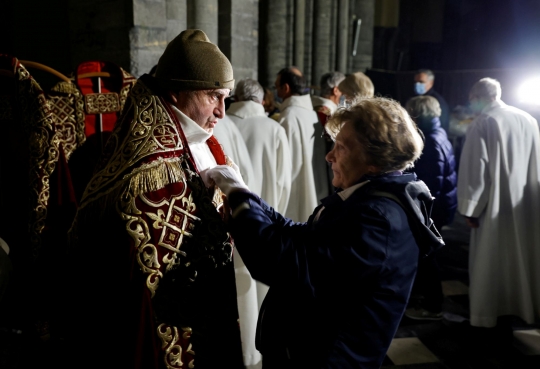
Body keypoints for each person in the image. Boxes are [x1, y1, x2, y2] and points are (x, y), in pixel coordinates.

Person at [205, 97, 444, 368]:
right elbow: (303, 237)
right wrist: (249, 197)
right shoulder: (371, 199)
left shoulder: (377, 218)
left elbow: (283, 263)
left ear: (374, 161)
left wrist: (239, 200)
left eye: (341, 148)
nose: (330, 156)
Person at [68, 29, 245, 369]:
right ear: (177, 92)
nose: (222, 112)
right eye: (213, 97)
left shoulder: (204, 140)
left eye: (226, 98)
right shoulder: (146, 168)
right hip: (158, 328)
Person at [457, 77, 540, 328]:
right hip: (526, 203)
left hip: (495, 206)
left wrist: (470, 208)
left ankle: (488, 314)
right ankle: (526, 307)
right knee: (525, 256)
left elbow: (476, 170)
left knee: (491, 259)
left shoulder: (484, 122)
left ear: (478, 97)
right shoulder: (528, 118)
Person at [226, 78, 293, 369]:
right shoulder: (274, 129)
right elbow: (283, 182)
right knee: (257, 291)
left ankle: (236, 346)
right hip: (264, 219)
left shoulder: (223, 125)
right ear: (262, 100)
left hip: (229, 221)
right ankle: (255, 351)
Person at [404, 95, 458, 320]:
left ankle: (433, 305)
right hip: (441, 205)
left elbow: (430, 182)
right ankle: (424, 298)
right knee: (425, 255)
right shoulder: (439, 134)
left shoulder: (432, 141)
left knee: (427, 257)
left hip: (433, 209)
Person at [275, 66, 326, 221]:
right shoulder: (311, 114)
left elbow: (282, 164)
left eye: (277, 86)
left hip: (295, 189)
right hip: (316, 186)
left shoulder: (288, 117)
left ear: (286, 88)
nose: (276, 92)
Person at [414, 69, 450, 133]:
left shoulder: (437, 101)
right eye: (416, 82)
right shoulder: (415, 99)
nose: (417, 84)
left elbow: (442, 125)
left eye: (421, 82)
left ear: (431, 82)